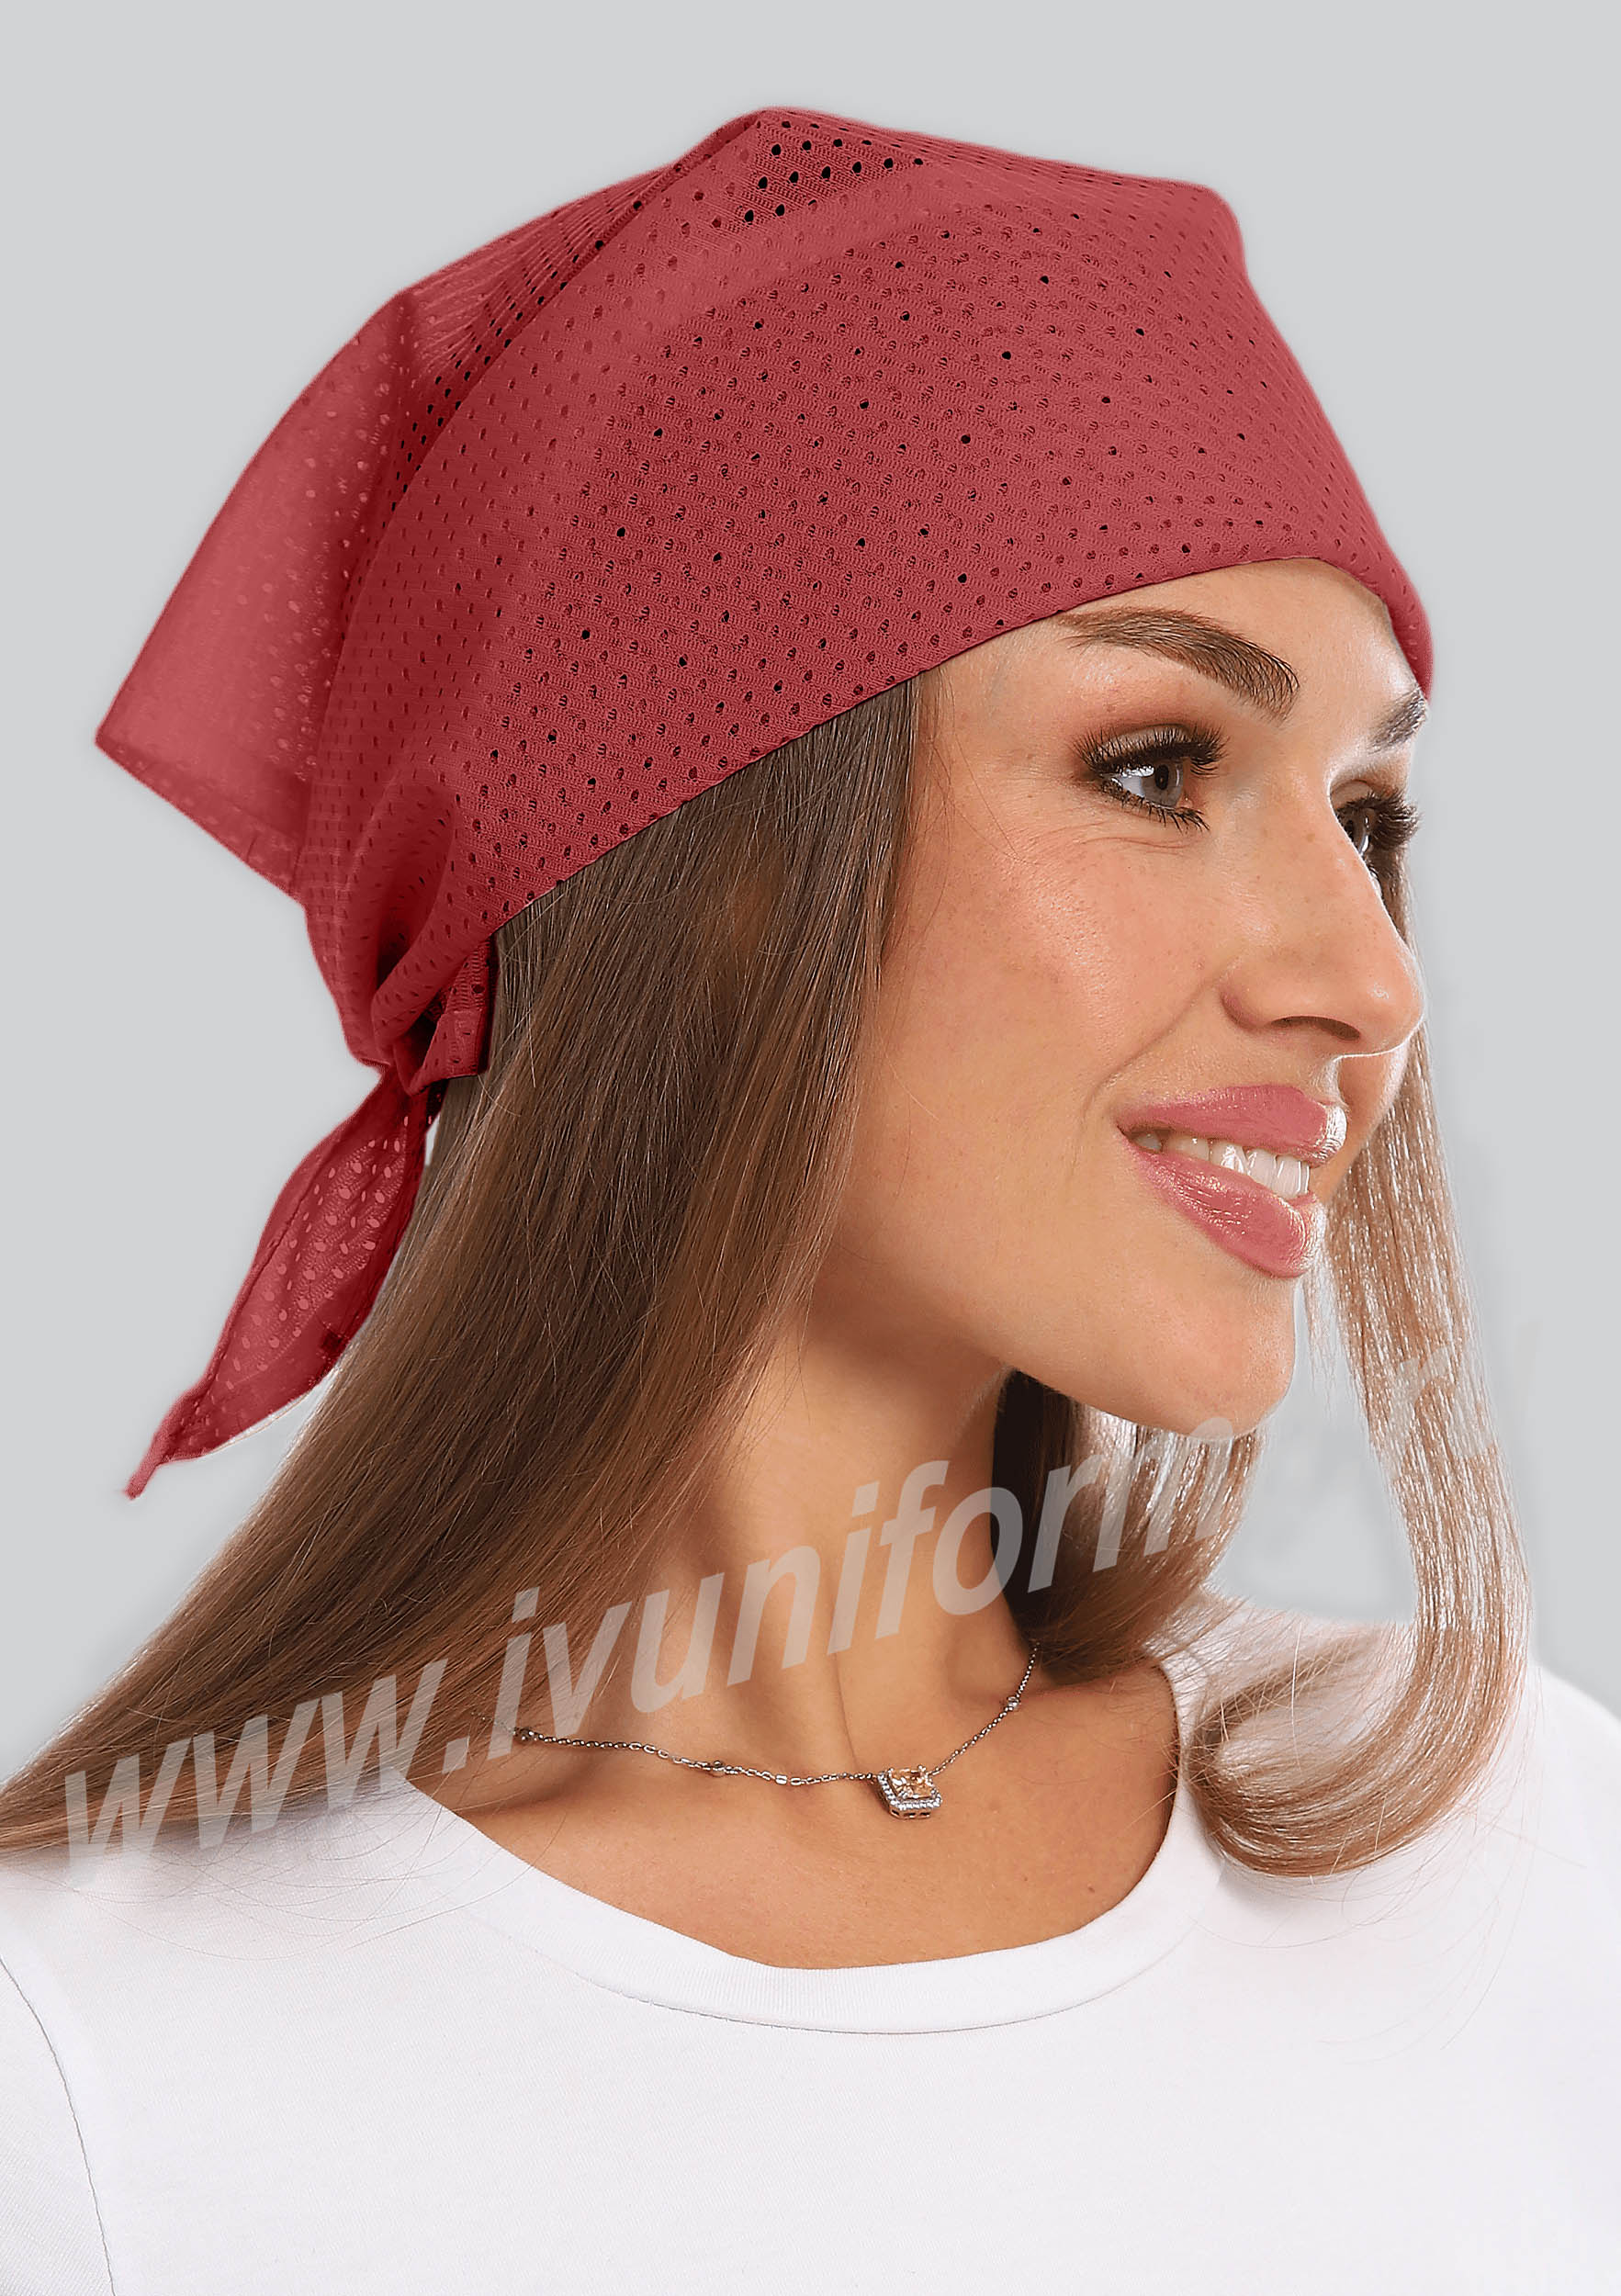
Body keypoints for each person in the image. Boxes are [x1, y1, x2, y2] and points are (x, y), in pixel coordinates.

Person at [1, 106, 1616, 2294]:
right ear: (719, 874)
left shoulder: (1518, 1852)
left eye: (1367, 817)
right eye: (1158, 768)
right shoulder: (90, 2062)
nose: (1369, 978)